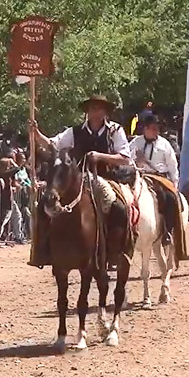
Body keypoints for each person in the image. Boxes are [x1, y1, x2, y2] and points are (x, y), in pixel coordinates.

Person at [28, 93, 133, 267]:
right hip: (78, 178)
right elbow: (53, 144)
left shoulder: (115, 130)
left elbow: (124, 158)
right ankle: (43, 251)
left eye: (99, 108)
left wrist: (100, 156)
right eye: (92, 108)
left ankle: (116, 250)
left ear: (105, 111)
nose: (95, 111)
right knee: (44, 205)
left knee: (118, 207)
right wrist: (36, 133)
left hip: (105, 177)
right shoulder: (75, 131)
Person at [130, 113, 180, 245]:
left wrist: (174, 183)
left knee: (169, 198)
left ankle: (167, 231)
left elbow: (172, 164)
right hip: (139, 175)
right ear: (145, 129)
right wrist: (137, 160)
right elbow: (126, 160)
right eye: (153, 128)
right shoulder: (135, 143)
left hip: (159, 177)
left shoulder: (165, 144)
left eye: (157, 128)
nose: (156, 131)